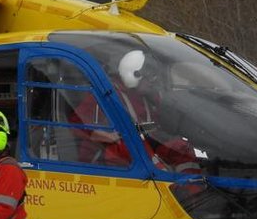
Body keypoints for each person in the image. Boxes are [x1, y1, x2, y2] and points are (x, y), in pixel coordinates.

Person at [72, 50, 200, 175]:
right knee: (136, 149)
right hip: (111, 152)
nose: (152, 82)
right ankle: (163, 184)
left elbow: (156, 125)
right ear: (134, 75)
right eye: (149, 77)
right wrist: (99, 134)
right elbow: (76, 122)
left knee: (180, 147)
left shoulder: (148, 97)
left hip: (146, 143)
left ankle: (192, 186)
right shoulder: (107, 95)